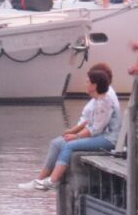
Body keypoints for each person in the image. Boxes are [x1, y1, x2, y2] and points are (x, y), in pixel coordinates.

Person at [19, 63, 120, 191]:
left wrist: (76, 136)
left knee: (69, 145)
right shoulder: (99, 98)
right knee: (56, 143)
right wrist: (73, 132)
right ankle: (39, 180)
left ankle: (52, 181)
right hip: (100, 135)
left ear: (95, 85)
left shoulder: (104, 101)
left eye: (88, 81)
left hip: (108, 139)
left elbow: (96, 129)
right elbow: (88, 121)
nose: (85, 84)